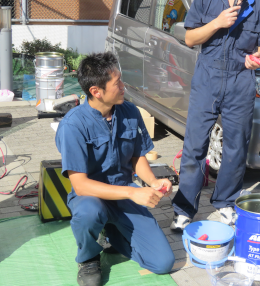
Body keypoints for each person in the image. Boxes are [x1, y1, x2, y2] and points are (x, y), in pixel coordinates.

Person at [170, 0, 260, 231]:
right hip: (208, 79)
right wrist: (217, 22)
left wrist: (258, 58)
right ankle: (184, 209)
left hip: (241, 82)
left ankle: (226, 202)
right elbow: (190, 39)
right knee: (194, 146)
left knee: (235, 147)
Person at [55, 52, 175, 286]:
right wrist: (133, 192)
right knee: (90, 213)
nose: (123, 87)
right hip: (90, 197)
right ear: (96, 92)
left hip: (123, 194)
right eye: (117, 83)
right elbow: (80, 185)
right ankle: (89, 256)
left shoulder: (129, 111)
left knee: (162, 263)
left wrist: (152, 182)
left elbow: (137, 157)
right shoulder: (73, 125)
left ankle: (111, 233)